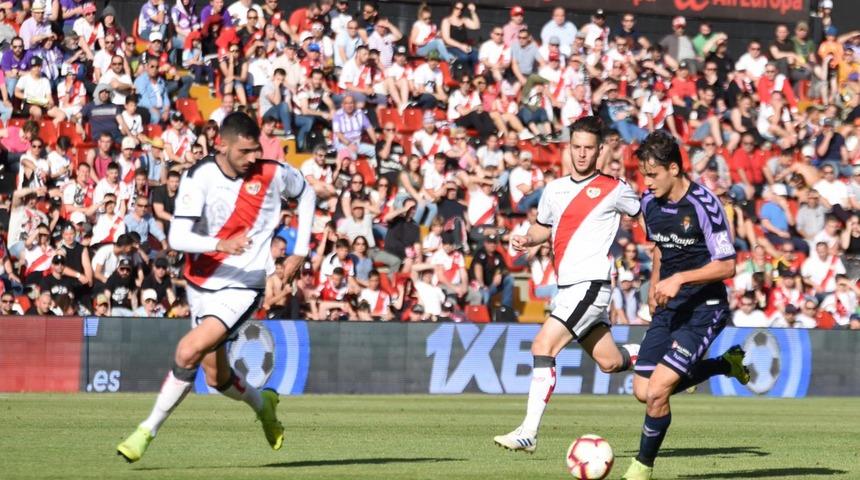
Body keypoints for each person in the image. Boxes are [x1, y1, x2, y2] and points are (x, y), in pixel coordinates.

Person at [116, 112, 316, 462]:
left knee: (186, 351)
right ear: (222, 145)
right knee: (215, 377)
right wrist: (219, 244)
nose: (252, 158)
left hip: (243, 286)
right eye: (245, 151)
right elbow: (177, 236)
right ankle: (263, 404)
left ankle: (145, 431)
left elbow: (308, 193)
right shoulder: (200, 176)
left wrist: (299, 252)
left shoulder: (271, 173)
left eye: (256, 150)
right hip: (200, 283)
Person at [493, 117, 641, 453]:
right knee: (611, 362)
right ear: (569, 147)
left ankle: (528, 432)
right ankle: (667, 355)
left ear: (600, 150)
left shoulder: (614, 188)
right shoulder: (555, 189)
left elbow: (645, 216)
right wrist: (526, 239)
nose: (582, 154)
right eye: (577, 147)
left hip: (591, 284)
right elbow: (543, 228)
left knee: (543, 346)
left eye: (589, 148)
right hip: (568, 288)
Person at [621, 131, 750, 480]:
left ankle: (641, 468)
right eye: (644, 175)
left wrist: (679, 279)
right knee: (642, 390)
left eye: (653, 175)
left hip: (704, 307)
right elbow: (661, 247)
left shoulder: (706, 206)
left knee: (659, 390)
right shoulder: (650, 204)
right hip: (668, 307)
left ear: (674, 168)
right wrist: (654, 283)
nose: (646, 183)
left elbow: (727, 265)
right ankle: (725, 364)